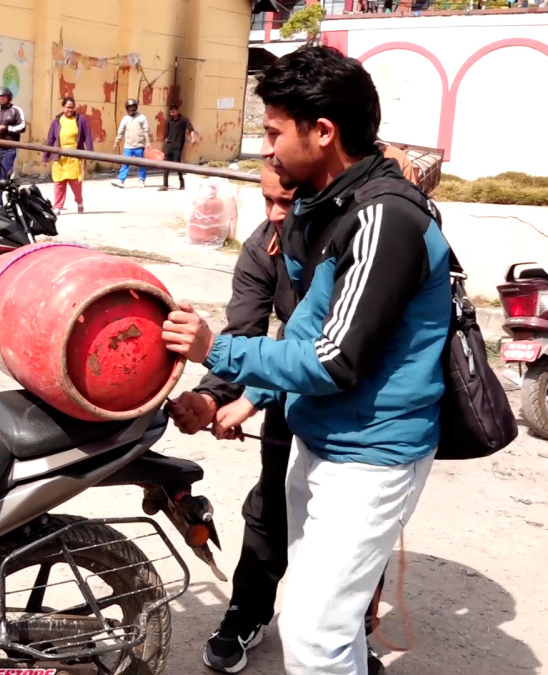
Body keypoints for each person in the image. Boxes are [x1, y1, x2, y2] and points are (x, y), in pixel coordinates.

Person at [161, 45, 450, 675]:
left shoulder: (384, 219)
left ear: (322, 131)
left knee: (314, 636)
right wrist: (235, 394)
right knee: (322, 619)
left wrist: (215, 349)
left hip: (370, 455)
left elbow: (334, 360)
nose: (265, 149)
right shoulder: (323, 209)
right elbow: (301, 333)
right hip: (316, 437)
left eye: (273, 133)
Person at [170, 160, 387, 675]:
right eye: (266, 199)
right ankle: (248, 612)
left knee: (354, 531)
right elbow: (249, 333)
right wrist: (211, 399)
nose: (273, 213)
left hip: (363, 411)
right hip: (293, 391)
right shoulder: (263, 245)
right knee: (271, 504)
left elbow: (328, 351)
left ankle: (352, 630)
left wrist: (247, 399)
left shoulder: (362, 238)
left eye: (286, 201)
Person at [43, 96, 93, 214]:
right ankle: (58, 206)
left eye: (71, 107)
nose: (69, 110)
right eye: (67, 107)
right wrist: (46, 156)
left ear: (74, 108)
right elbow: (50, 140)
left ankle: (79, 201)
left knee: (76, 183)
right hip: (60, 156)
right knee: (59, 182)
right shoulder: (57, 121)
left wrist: (90, 153)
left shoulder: (81, 120)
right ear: (63, 107)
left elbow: (88, 137)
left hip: (75, 156)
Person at [0, 87, 26, 206]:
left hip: (9, 148)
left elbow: (22, 127)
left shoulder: (16, 110)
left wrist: (7, 128)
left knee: (7, 177)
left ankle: (13, 201)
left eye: (3, 96)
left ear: (9, 97)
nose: (1, 98)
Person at [112, 98, 150, 188]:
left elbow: (146, 131)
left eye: (133, 107)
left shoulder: (142, 117)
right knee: (125, 163)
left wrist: (148, 142)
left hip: (139, 145)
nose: (131, 109)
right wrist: (116, 141)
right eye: (129, 107)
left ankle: (142, 180)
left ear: (136, 107)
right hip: (128, 146)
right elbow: (121, 131)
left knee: (141, 164)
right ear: (127, 108)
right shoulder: (125, 119)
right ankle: (121, 180)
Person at [159, 103, 194, 191]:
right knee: (166, 165)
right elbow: (166, 133)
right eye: (171, 111)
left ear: (177, 111)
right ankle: (165, 185)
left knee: (177, 165)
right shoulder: (168, 120)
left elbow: (191, 129)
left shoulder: (183, 120)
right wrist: (164, 144)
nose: (172, 113)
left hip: (178, 146)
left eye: (173, 111)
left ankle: (182, 183)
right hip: (169, 145)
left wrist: (192, 138)